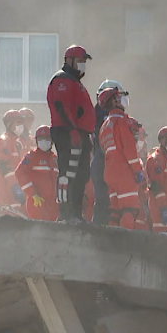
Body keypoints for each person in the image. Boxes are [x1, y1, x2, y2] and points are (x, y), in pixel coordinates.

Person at [47, 45, 95, 222]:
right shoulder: (63, 79)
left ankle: (75, 212)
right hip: (66, 132)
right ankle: (65, 213)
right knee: (67, 172)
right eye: (80, 61)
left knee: (81, 173)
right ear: (69, 60)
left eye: (84, 62)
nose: (83, 65)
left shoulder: (75, 82)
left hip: (79, 133)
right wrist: (72, 130)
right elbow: (62, 107)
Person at [97, 87, 145, 230]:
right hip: (124, 172)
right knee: (129, 209)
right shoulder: (122, 121)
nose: (122, 98)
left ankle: (112, 240)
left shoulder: (104, 127)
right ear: (113, 101)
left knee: (115, 210)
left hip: (110, 173)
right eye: (119, 96)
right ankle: (125, 240)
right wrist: (137, 170)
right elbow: (129, 149)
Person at [90, 80, 123, 226]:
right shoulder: (103, 115)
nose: (118, 100)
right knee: (104, 199)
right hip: (104, 160)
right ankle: (99, 230)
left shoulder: (99, 113)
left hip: (105, 160)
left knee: (109, 200)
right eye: (116, 97)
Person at [14, 126, 59, 221]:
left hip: (53, 206)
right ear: (36, 141)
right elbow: (19, 172)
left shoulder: (55, 159)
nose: (44, 141)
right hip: (37, 203)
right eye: (41, 139)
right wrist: (32, 194)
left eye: (47, 139)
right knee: (38, 229)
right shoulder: (31, 156)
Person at [0, 110, 27, 216]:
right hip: (7, 192)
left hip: (15, 192)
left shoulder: (15, 143)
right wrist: (15, 188)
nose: (21, 126)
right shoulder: (4, 141)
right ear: (9, 124)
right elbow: (5, 168)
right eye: (19, 122)